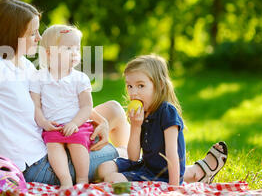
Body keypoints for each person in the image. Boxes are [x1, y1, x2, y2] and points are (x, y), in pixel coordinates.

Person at [0, 0, 228, 186]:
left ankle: (132, 158)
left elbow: (57, 101)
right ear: (10, 34)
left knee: (111, 108)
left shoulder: (24, 66)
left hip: (55, 138)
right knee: (114, 159)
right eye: (32, 34)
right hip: (42, 164)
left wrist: (97, 123)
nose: (38, 40)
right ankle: (187, 172)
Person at [98, 55, 228, 185]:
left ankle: (191, 175)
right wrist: (135, 126)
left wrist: (174, 187)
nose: (133, 93)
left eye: (141, 86)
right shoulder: (142, 112)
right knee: (103, 169)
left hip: (162, 175)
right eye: (129, 86)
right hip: (146, 167)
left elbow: (172, 153)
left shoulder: (167, 112)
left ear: (159, 85)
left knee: (112, 179)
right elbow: (133, 157)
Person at [30, 24, 108, 188]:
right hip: (53, 127)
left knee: (79, 144)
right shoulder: (39, 78)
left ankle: (81, 180)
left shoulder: (80, 78)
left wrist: (74, 123)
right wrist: (44, 123)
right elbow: (35, 106)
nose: (74, 53)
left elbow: (87, 107)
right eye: (68, 48)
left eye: (77, 48)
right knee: (53, 146)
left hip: (77, 124)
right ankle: (65, 180)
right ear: (50, 53)